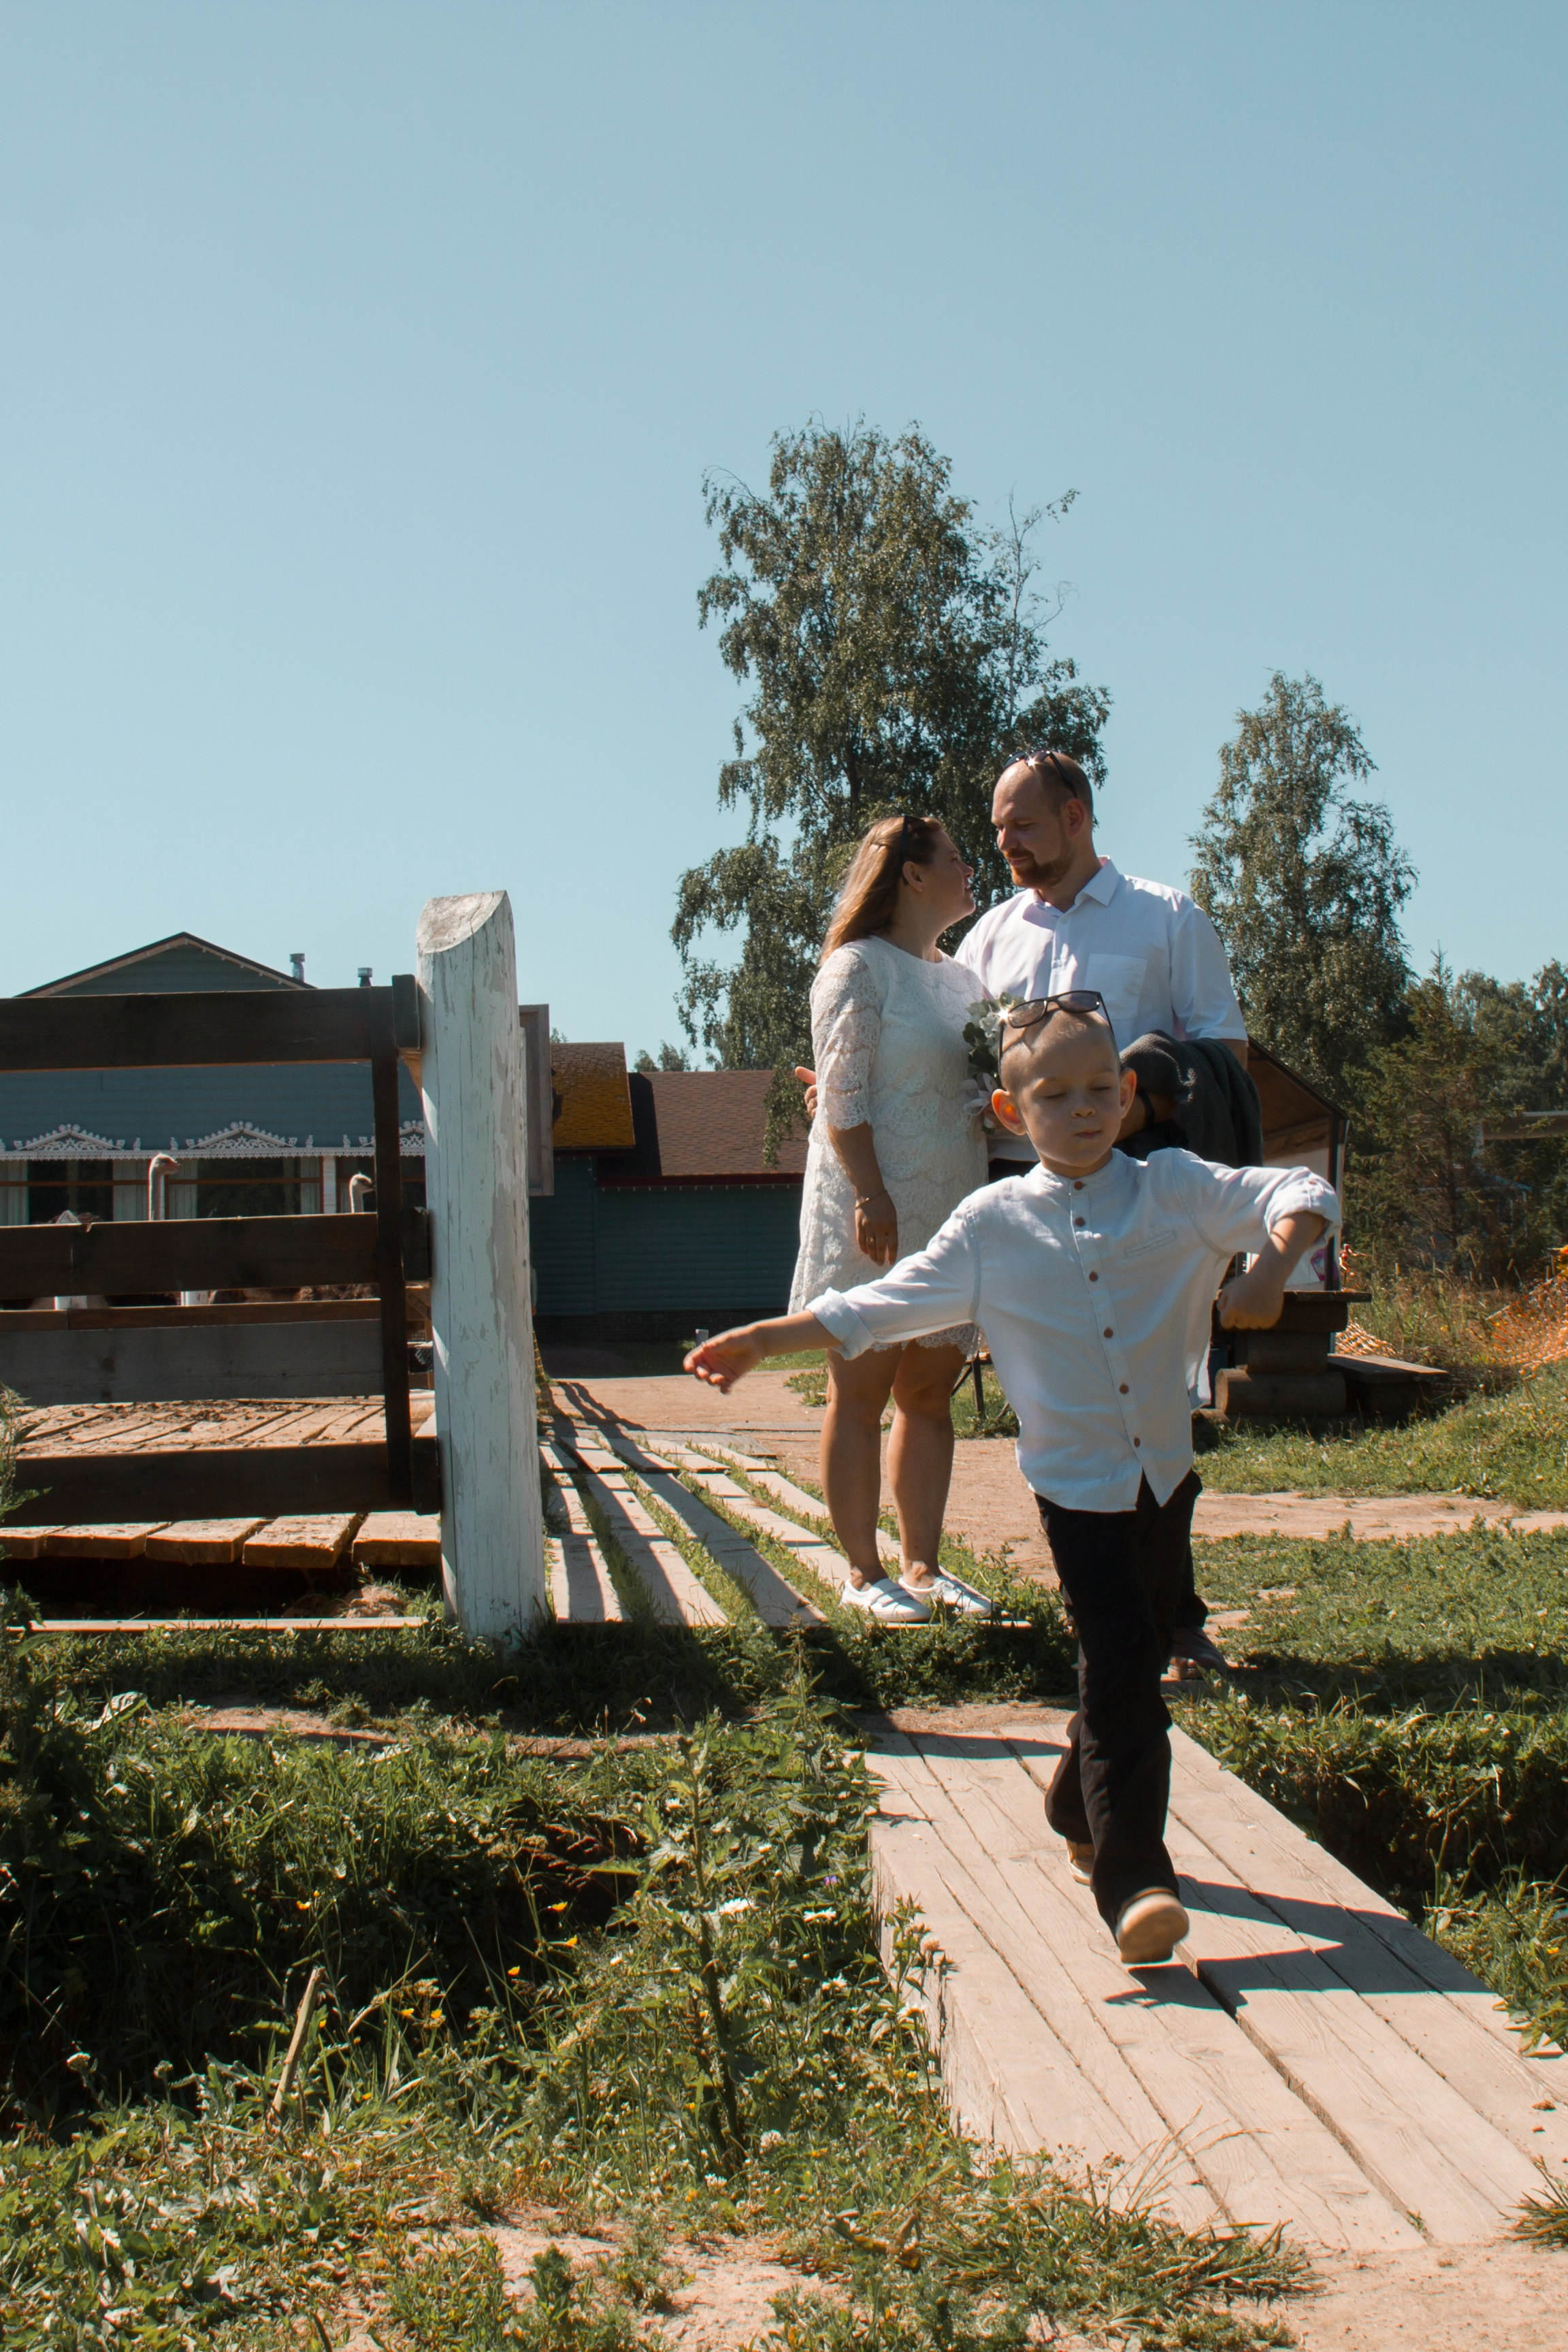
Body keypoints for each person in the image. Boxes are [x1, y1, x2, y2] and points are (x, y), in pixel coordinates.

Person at [689, 994, 1335, 1965]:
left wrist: (1271, 1269)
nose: (1078, 1109)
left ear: (1126, 1095)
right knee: (1122, 1664)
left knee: (1146, 1643)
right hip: (1075, 1491)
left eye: (1095, 1090)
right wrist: (761, 1338)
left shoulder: (1176, 1190)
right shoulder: (990, 1228)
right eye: (1051, 1094)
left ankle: (1078, 1795)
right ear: (1008, 1112)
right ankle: (1135, 1882)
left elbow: (1301, 1197)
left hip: (1166, 1475)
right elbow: (877, 1306)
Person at [799, 749, 1257, 1670]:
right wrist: (846, 1106)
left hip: (1132, 1190)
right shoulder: (985, 946)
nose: (1004, 844)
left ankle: (1173, 1616)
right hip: (1007, 1201)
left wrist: (1143, 1101)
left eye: (1022, 826)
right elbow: (934, 1058)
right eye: (994, 831)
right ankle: (1094, 1607)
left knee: (1150, 1406)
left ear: (1078, 817)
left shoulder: (1167, 919)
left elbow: (1228, 1053)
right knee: (1060, 1416)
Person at [787, 812, 994, 1624]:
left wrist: (1003, 1108)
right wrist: (872, 1193)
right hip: (872, 1207)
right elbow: (841, 1098)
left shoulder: (965, 981)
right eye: (956, 858)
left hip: (951, 1206)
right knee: (862, 1389)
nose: (970, 868)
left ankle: (923, 1566)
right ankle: (860, 1571)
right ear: (911, 873)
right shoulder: (856, 968)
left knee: (930, 1390)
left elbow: (972, 1088)